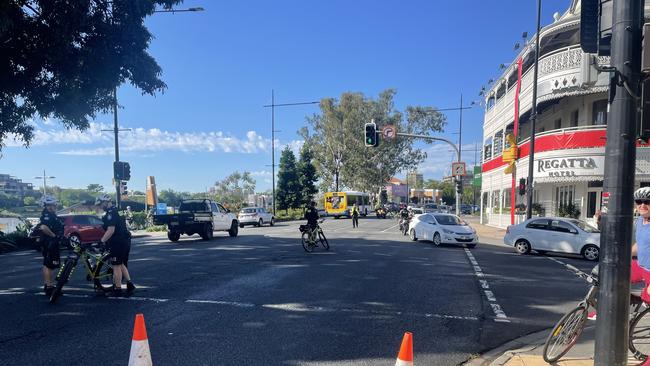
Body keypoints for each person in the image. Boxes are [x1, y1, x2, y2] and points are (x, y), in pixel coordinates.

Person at [96, 194, 135, 297]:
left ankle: (117, 288)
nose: (100, 206)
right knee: (121, 263)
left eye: (100, 204)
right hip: (125, 240)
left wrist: (102, 241)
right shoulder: (118, 209)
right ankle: (130, 283)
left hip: (117, 242)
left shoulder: (111, 213)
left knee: (116, 265)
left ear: (106, 202)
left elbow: (111, 230)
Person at [38, 195, 64, 296]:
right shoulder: (47, 215)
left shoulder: (51, 214)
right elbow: (43, 227)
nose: (54, 206)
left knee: (48, 265)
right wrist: (54, 236)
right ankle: (49, 287)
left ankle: (48, 285)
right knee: (49, 265)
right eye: (52, 204)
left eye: (54, 204)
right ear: (46, 206)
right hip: (49, 243)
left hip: (51, 242)